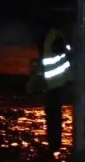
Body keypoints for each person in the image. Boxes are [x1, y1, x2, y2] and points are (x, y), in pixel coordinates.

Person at [27, 19, 72, 149]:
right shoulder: (52, 36)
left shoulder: (52, 37)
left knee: (53, 114)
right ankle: (54, 142)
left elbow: (54, 55)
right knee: (53, 113)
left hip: (56, 83)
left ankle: (54, 143)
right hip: (55, 82)